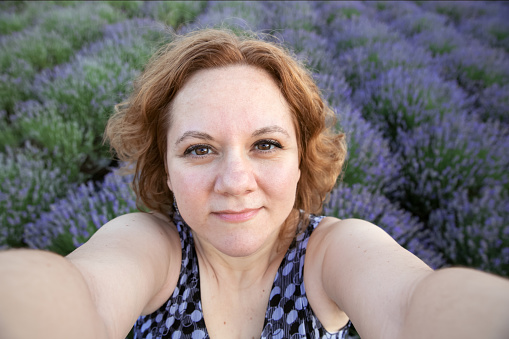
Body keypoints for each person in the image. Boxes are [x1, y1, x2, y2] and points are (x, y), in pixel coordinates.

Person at [1, 28, 509, 339]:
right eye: (199, 149)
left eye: (266, 144)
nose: (235, 181)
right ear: (166, 170)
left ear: (301, 160)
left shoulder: (333, 252)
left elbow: (412, 306)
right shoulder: (149, 247)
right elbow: (80, 297)